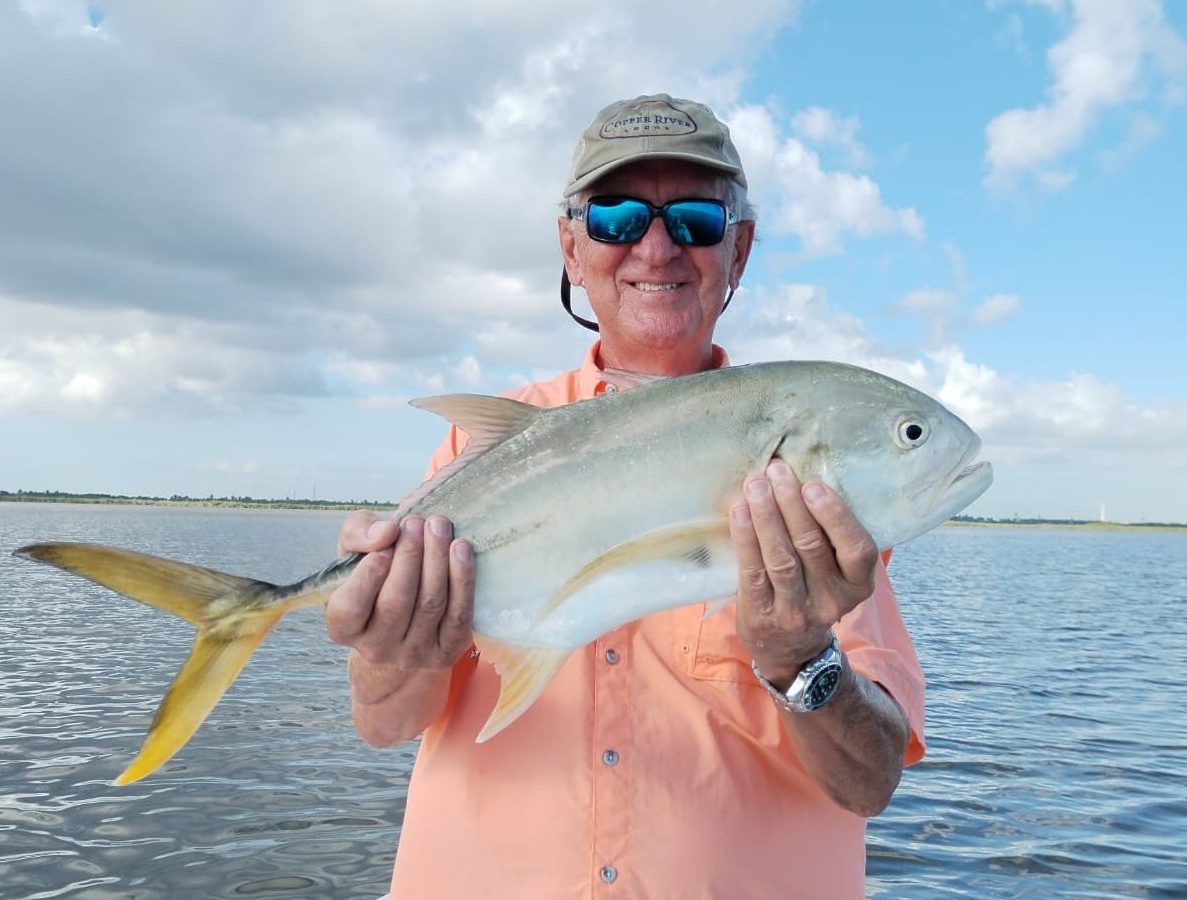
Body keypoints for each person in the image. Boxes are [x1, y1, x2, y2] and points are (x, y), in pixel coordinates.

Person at [325, 94, 925, 900]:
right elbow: (385, 721)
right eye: (615, 217)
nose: (655, 246)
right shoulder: (484, 449)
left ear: (738, 250)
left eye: (694, 220)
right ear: (572, 247)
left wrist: (802, 661)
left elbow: (870, 781)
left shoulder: (812, 487)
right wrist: (390, 651)